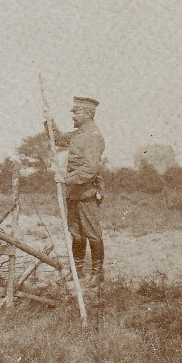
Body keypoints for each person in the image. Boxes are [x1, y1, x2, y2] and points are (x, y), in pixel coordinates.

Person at [46, 96, 106, 287]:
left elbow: (90, 170)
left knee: (93, 234)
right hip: (74, 194)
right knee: (76, 234)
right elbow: (58, 139)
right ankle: (77, 272)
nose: (72, 115)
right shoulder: (78, 134)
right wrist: (48, 121)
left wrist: (66, 179)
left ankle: (97, 274)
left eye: (76, 111)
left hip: (87, 194)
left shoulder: (93, 137)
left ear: (89, 114)